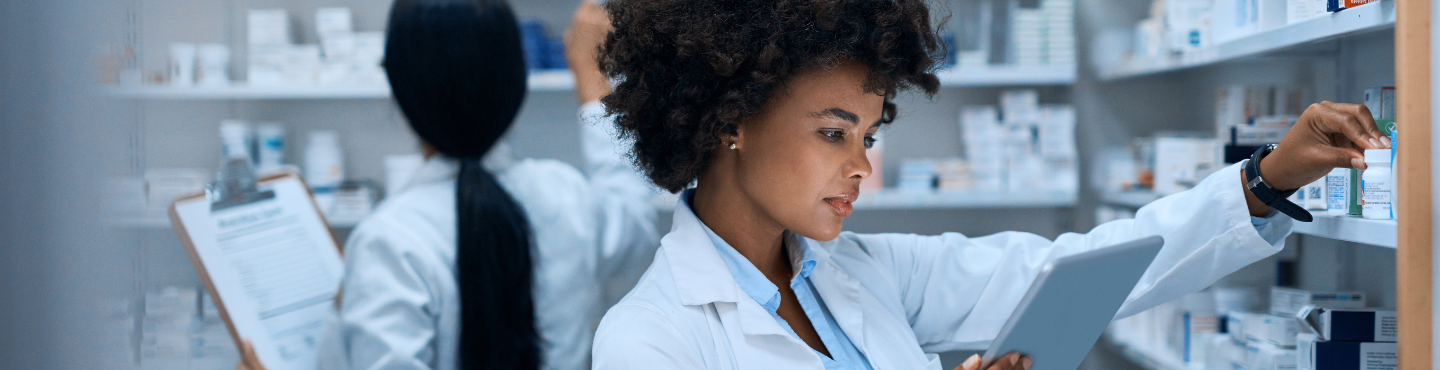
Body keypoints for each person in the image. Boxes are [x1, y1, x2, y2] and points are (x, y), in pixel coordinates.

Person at [588, 1, 1389, 370]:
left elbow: (1082, 270)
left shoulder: (863, 273)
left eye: (869, 136)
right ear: (731, 117)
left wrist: (1267, 176)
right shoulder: (648, 341)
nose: (863, 165)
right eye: (833, 132)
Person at [238, 1, 659, 370]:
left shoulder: (390, 241)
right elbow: (634, 217)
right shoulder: (566, 198)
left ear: (402, 93)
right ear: (513, 85)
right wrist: (593, 80)